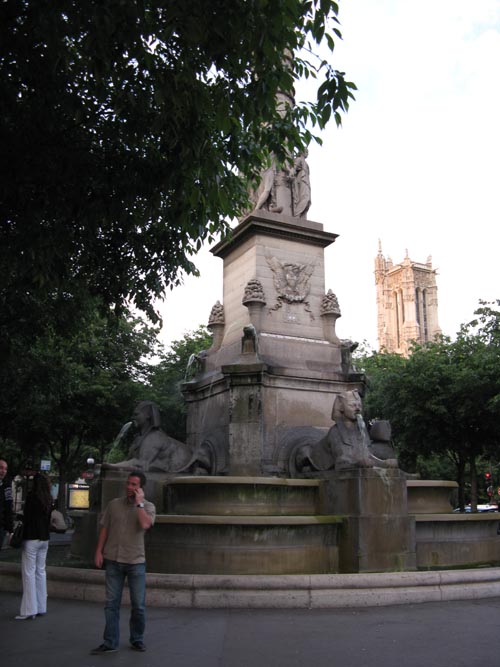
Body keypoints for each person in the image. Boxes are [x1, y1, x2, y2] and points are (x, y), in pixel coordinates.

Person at [91, 471, 156, 654]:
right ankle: (110, 641)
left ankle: (137, 638)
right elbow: (105, 528)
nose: (129, 487)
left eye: (134, 485)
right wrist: (98, 551)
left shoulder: (148, 507)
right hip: (113, 560)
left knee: (139, 606)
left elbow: (145, 525)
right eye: (128, 483)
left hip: (135, 562)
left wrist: (139, 503)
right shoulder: (114, 505)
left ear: (141, 488)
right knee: (111, 604)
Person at [15, 473, 52, 620]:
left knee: (28, 573)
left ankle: (29, 609)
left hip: (31, 537)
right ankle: (41, 606)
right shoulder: (49, 498)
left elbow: (28, 517)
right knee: (40, 572)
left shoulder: (31, 497)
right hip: (44, 538)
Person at [0, 458, 13, 549]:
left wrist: (9, 528)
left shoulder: (6, 487)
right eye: (1, 468)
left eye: (5, 469)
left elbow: (8, 508)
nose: (3, 471)